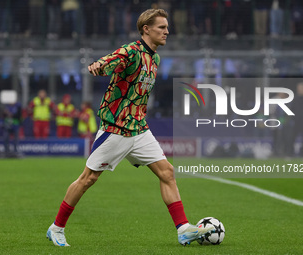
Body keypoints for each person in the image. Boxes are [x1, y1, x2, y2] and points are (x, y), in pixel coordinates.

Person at [46, 8, 214, 247]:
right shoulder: (132, 51)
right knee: (88, 179)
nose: (167, 31)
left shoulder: (154, 58)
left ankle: (183, 229)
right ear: (146, 29)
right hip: (116, 129)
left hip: (139, 129)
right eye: (161, 27)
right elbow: (111, 60)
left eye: (167, 27)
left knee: (167, 172)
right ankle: (56, 228)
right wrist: (98, 65)